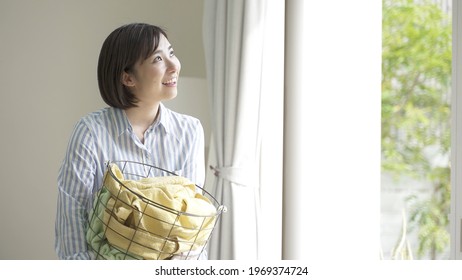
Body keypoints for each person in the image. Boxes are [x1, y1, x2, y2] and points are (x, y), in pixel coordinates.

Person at [55, 23, 205, 259]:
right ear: (127, 78)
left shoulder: (190, 131)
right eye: (158, 58)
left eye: (171, 53)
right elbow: (72, 238)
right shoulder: (89, 133)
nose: (174, 65)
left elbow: (192, 232)